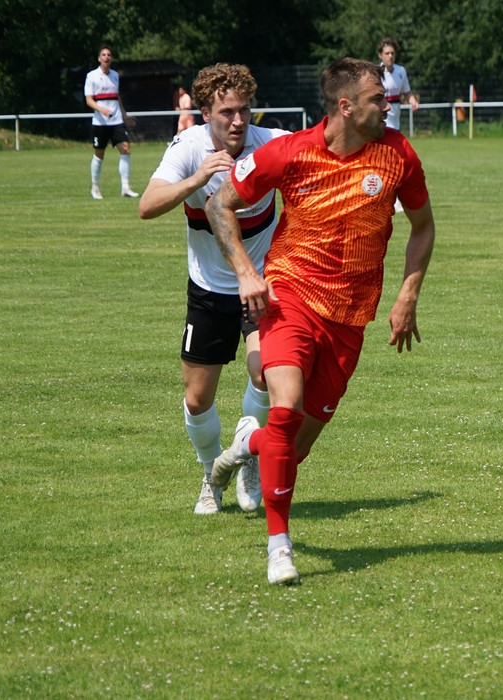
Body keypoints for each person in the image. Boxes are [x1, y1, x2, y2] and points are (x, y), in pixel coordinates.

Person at [205, 57, 435, 585]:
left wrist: (408, 295)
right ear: (346, 106)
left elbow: (423, 226)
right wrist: (247, 273)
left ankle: (247, 445)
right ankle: (279, 548)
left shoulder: (398, 154)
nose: (389, 106)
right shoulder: (289, 152)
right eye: (379, 99)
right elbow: (220, 205)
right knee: (285, 407)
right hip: (289, 296)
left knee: (295, 446)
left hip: (350, 317)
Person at [139, 63, 289, 515]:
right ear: (205, 113)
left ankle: (246, 458)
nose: (238, 121)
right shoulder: (188, 148)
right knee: (197, 398)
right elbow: (147, 206)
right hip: (207, 289)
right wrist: (197, 179)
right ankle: (212, 474)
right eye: (227, 112)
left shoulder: (271, 143)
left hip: (260, 283)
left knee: (265, 372)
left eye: (245, 110)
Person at [84, 45, 139, 199]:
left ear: (112, 58)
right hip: (100, 123)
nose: (106, 57)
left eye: (109, 55)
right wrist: (102, 110)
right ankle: (95, 187)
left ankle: (125, 187)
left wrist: (124, 115)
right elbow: (89, 100)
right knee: (99, 154)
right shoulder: (92, 76)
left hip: (116, 121)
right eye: (104, 55)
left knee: (125, 149)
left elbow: (116, 97)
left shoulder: (115, 75)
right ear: (99, 58)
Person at [377, 37, 419, 131]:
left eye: (392, 53)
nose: (390, 56)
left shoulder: (401, 71)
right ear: (380, 55)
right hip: (381, 121)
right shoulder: (376, 73)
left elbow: (407, 92)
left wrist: (413, 102)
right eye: (387, 53)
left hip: (395, 121)